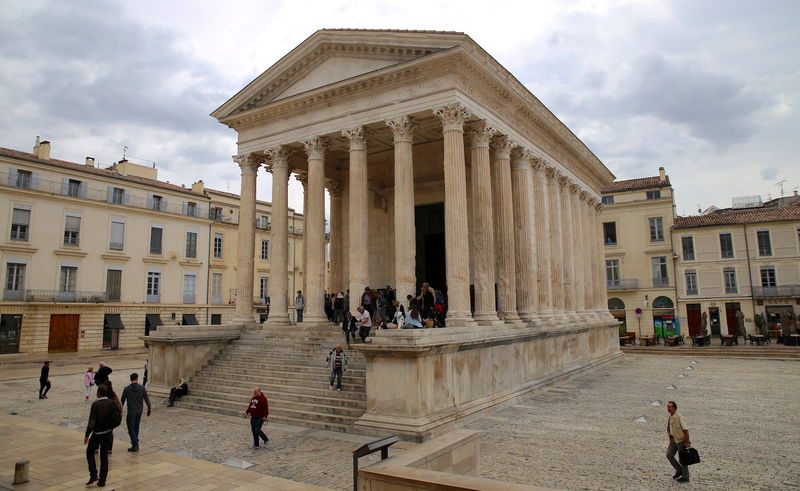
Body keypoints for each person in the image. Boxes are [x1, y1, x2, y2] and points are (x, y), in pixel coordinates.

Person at [84, 385, 117, 487]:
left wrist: (87, 435)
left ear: (98, 393)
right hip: (108, 433)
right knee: (104, 456)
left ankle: (93, 474)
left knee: (89, 452)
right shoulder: (112, 402)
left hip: (98, 434)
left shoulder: (96, 404)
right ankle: (102, 480)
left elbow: (92, 421)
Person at [120, 372, 151, 452]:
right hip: (139, 411)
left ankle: (135, 444)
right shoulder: (142, 388)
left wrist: (120, 411)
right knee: (136, 427)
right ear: (137, 379)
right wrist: (149, 408)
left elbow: (122, 401)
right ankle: (135, 443)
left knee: (131, 428)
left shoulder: (127, 389)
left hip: (131, 411)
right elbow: (147, 399)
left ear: (130, 379)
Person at [665, 400, 692, 483]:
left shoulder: (680, 417)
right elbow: (669, 428)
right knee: (669, 455)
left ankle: (686, 477)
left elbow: (686, 430)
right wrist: (670, 438)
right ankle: (679, 470)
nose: (668, 409)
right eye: (667, 407)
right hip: (673, 440)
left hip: (681, 441)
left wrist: (687, 441)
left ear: (675, 408)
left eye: (670, 407)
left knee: (683, 459)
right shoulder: (670, 417)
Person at [104, 380, 123, 454]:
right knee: (110, 433)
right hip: (112, 417)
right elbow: (119, 406)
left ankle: (99, 447)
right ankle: (109, 449)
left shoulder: (104, 395)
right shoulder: (113, 395)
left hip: (105, 416)